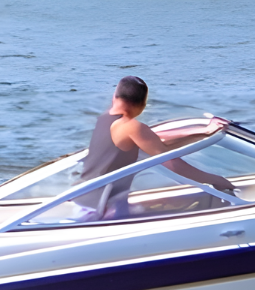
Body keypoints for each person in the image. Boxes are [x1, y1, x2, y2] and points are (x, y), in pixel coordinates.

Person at [78, 76, 234, 217]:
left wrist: (204, 132)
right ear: (143, 104)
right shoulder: (129, 126)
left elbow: (157, 142)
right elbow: (171, 163)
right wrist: (217, 180)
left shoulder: (105, 119)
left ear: (115, 97)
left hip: (84, 201)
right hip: (104, 210)